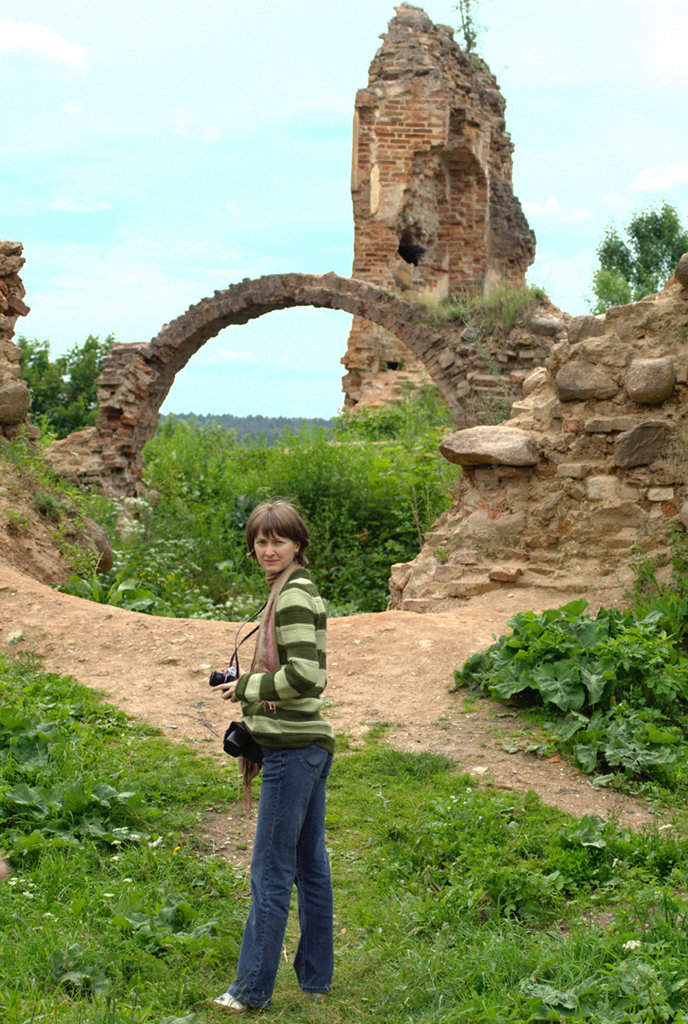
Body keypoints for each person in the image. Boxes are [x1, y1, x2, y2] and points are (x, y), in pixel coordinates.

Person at [212, 500, 335, 1013]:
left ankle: (250, 990)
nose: (268, 550)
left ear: (298, 544)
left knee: (270, 871)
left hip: (292, 748)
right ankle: (316, 979)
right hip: (307, 743)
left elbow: (308, 676)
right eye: (260, 541)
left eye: (278, 541)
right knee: (309, 866)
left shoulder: (292, 597)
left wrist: (247, 686)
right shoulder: (292, 589)